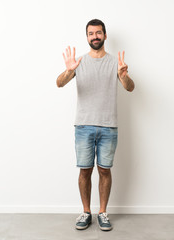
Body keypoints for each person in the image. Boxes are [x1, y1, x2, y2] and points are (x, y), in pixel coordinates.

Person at [56, 19, 135, 231]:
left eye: (98, 33)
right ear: (87, 37)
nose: (95, 37)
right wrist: (69, 71)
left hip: (109, 126)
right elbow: (59, 83)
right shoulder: (79, 62)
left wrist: (123, 76)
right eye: (91, 34)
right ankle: (85, 212)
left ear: (105, 35)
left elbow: (130, 87)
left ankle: (103, 213)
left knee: (105, 171)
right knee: (84, 171)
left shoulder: (114, 63)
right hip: (83, 126)